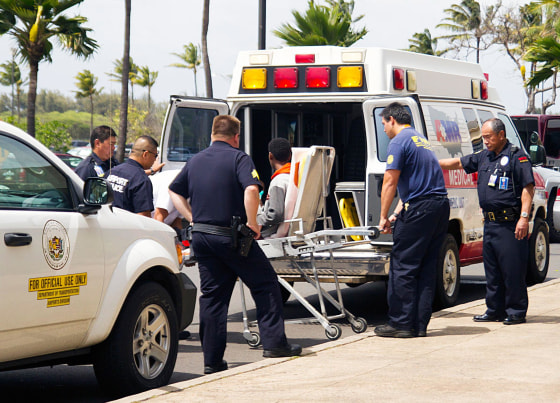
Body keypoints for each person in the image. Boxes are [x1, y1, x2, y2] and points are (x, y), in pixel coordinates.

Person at [168, 115, 301, 375]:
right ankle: (274, 343)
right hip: (231, 237)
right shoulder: (239, 158)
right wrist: (253, 223)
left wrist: (191, 216)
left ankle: (212, 362)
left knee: (214, 299)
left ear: (212, 134)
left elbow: (175, 191)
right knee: (266, 285)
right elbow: (251, 190)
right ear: (236, 136)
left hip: (203, 238)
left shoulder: (194, 161)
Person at [439, 118, 534, 325]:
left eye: (488, 137)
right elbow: (457, 163)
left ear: (501, 135)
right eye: (483, 137)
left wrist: (524, 218)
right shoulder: (484, 157)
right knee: (492, 271)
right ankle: (494, 310)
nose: (485, 141)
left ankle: (516, 311)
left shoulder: (517, 157)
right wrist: (431, 163)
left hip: (510, 224)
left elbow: (528, 188)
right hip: (490, 224)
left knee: (512, 270)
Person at [374, 103, 450, 338]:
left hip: (421, 209)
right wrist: (398, 211)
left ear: (392, 120)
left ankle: (401, 323)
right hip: (437, 207)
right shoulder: (420, 139)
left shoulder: (398, 141)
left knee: (403, 267)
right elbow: (415, 184)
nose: (384, 129)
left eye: (384, 124)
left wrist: (383, 216)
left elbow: (390, 181)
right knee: (426, 268)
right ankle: (418, 325)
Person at [150, 168, 192, 340]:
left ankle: (172, 325)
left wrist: (182, 245)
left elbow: (175, 218)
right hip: (151, 230)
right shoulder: (173, 184)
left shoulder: (188, 183)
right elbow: (159, 218)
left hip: (161, 229)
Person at [75, 125, 164, 181]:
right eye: (111, 144)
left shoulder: (112, 163)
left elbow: (129, 176)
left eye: (114, 144)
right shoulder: (86, 168)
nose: (114, 148)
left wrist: (152, 171)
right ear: (97, 143)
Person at [106, 136, 160, 216]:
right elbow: (143, 218)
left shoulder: (111, 172)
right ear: (145, 154)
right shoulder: (141, 180)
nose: (155, 160)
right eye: (155, 156)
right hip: (127, 226)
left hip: (105, 224)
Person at [257, 138, 292, 238]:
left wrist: (256, 219)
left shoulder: (279, 181)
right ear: (290, 156)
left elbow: (275, 215)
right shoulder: (295, 178)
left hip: (271, 236)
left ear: (270, 156)